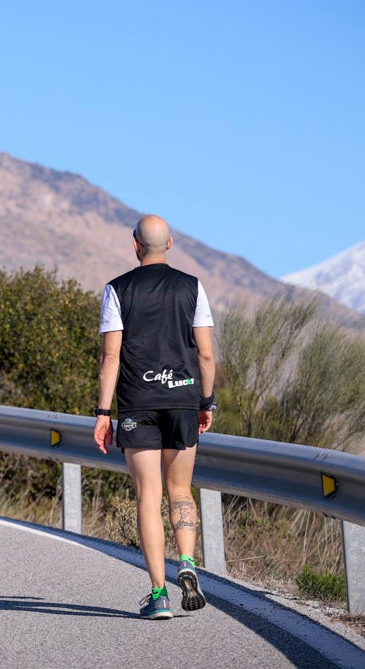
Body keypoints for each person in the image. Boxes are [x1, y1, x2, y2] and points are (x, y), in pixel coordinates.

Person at [93, 215, 216, 620]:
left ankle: (159, 593)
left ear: (134, 245)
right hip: (183, 401)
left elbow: (111, 356)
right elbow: (206, 354)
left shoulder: (117, 289)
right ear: (171, 244)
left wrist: (102, 413)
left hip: (136, 405)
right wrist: (206, 401)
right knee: (180, 491)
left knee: (149, 496)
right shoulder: (192, 287)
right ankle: (187, 561)